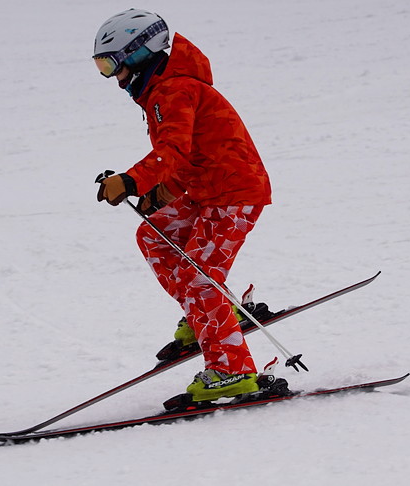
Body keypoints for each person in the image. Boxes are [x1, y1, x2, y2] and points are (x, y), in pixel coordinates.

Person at [93, 9, 272, 402]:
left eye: (111, 64)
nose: (112, 77)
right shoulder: (164, 91)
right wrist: (161, 193)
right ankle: (206, 314)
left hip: (233, 194)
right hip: (206, 191)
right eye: (102, 66)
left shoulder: (174, 90)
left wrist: (131, 180)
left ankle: (232, 370)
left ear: (139, 54)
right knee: (153, 235)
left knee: (199, 275)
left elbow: (173, 151)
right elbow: (188, 156)